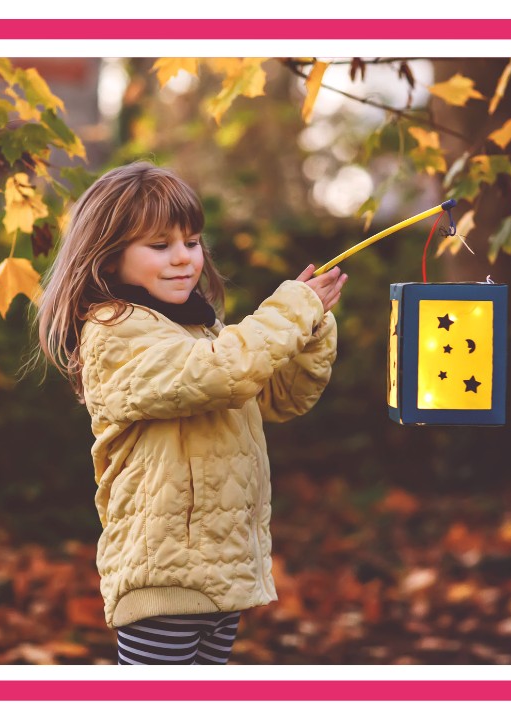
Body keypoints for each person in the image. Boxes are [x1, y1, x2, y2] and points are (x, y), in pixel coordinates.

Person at [32, 161, 347, 664]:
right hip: (164, 575)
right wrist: (289, 312)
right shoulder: (115, 330)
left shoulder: (196, 330)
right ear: (109, 258)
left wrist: (311, 330)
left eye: (192, 242)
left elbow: (280, 398)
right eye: (159, 246)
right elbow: (221, 373)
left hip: (220, 570)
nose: (183, 258)